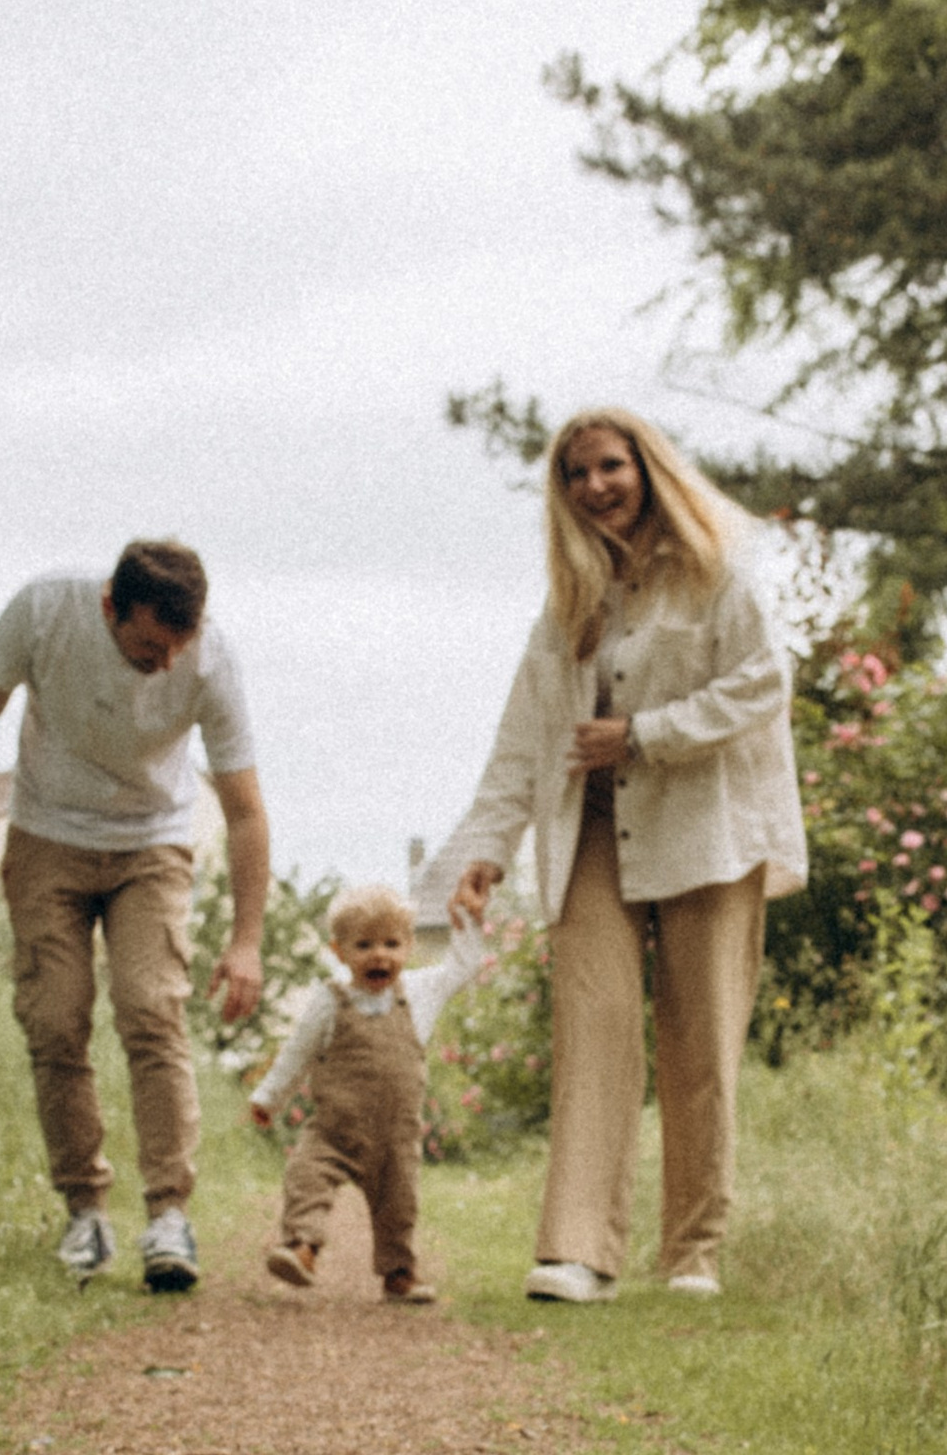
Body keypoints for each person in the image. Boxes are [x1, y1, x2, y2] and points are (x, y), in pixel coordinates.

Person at [440, 409, 805, 1302]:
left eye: (610, 466)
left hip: (708, 830)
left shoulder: (717, 576)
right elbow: (526, 738)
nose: (594, 486)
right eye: (576, 474)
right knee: (593, 1025)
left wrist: (647, 734)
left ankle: (693, 1253)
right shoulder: (571, 600)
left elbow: (764, 681)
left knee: (701, 1042)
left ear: (647, 469)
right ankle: (577, 1250)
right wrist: (487, 847)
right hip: (593, 831)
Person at [0, 538, 267, 1292]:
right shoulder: (44, 608)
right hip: (48, 835)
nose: (165, 664)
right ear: (109, 607)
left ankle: (168, 1215)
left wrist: (246, 940)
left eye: (177, 647)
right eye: (150, 646)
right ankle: (86, 1209)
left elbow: (246, 809)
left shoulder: (210, 659)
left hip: (152, 841)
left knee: (152, 1008)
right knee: (55, 1019)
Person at [248, 885, 491, 1305]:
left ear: (410, 946)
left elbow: (466, 965)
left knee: (398, 1205)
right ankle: (302, 1248)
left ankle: (399, 1273)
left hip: (394, 1137)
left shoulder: (419, 992)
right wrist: (269, 1097)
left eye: (392, 944)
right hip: (333, 1130)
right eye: (364, 945)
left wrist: (466, 923)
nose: (380, 955)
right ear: (339, 951)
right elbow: (297, 1052)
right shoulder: (330, 1001)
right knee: (306, 1180)